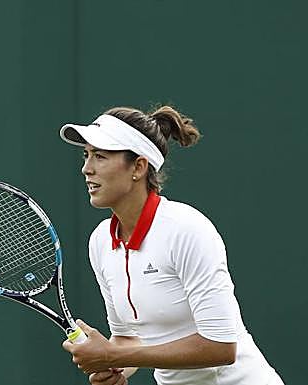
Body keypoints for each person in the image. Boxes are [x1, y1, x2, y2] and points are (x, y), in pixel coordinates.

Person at [59, 106, 284, 385]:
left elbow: (221, 347)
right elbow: (128, 339)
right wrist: (115, 368)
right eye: (86, 155)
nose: (86, 168)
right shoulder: (101, 241)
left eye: (100, 156)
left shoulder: (186, 229)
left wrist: (112, 357)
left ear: (138, 167)